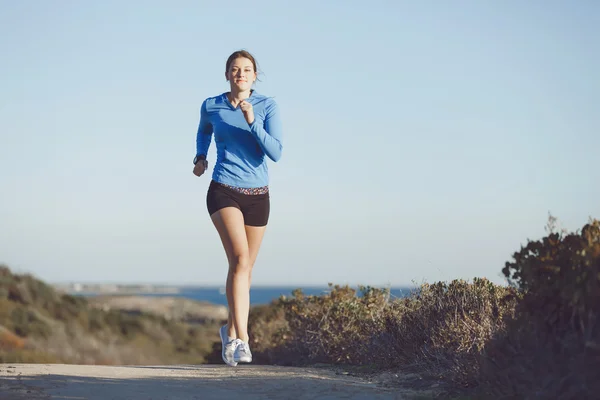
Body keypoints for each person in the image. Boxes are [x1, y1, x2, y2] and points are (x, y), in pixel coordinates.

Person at [192, 50, 283, 367]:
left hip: (259, 196)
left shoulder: (267, 106)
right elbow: (204, 130)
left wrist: (252, 122)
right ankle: (240, 340)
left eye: (246, 69)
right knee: (241, 260)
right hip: (223, 190)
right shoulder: (212, 105)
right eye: (235, 69)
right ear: (227, 74)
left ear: (254, 75)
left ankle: (228, 330)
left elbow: (276, 152)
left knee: (243, 269)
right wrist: (200, 156)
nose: (241, 73)